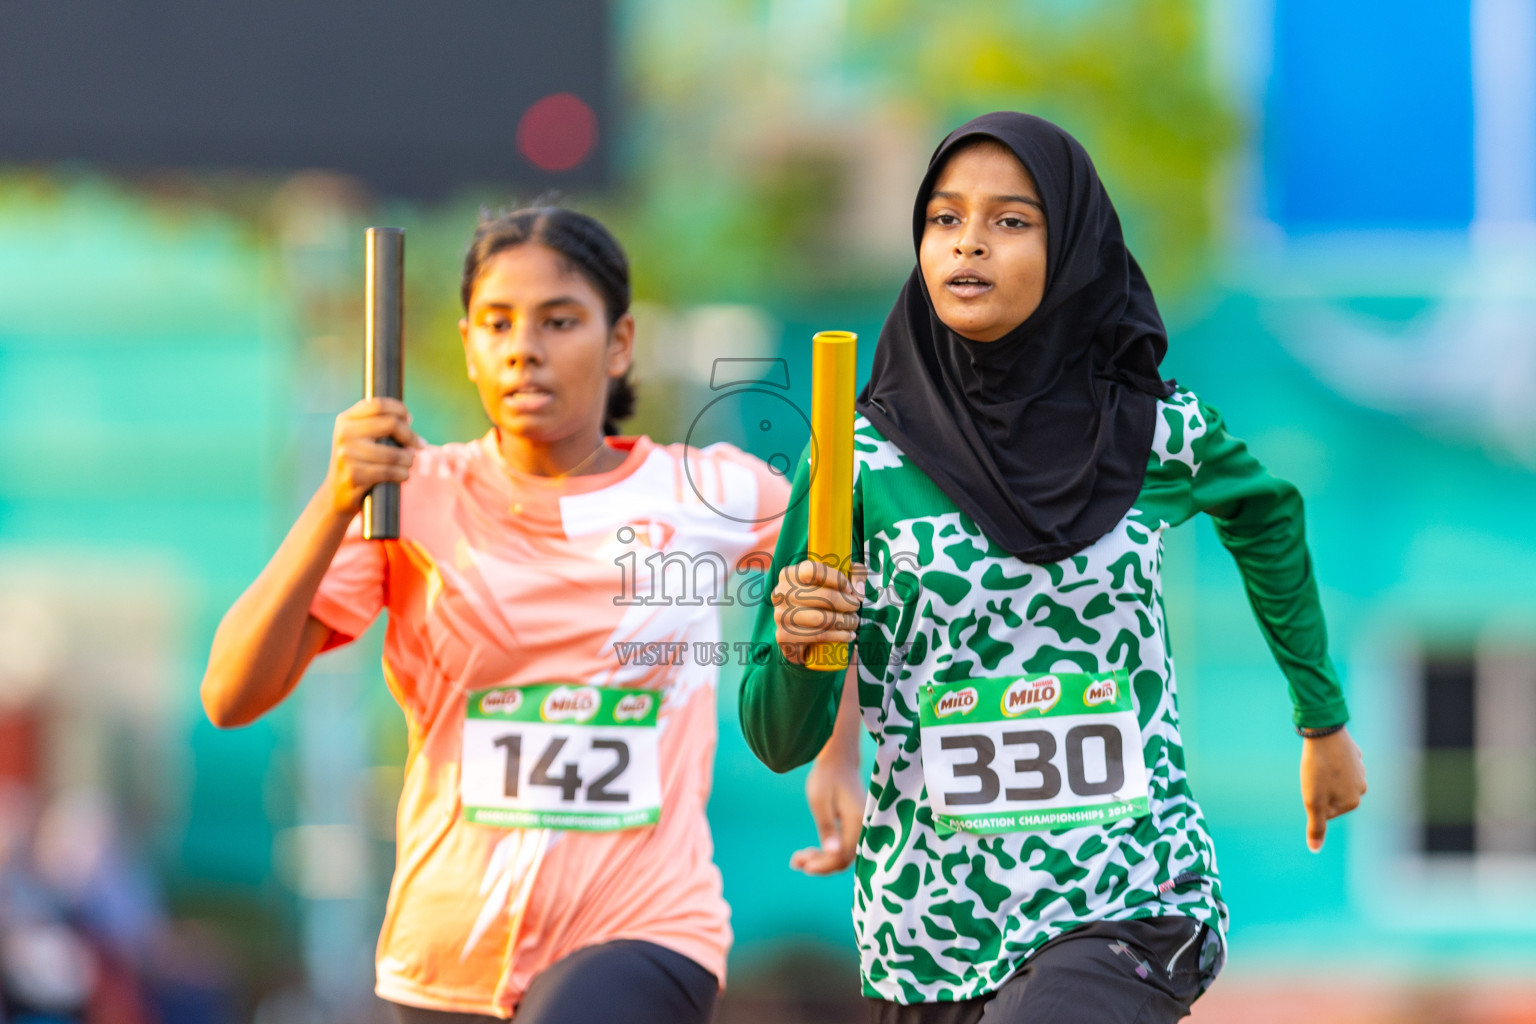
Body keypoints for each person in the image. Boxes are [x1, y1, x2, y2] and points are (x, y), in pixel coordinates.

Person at [740, 112, 1368, 1023]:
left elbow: (1266, 511)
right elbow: (775, 737)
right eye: (945, 219)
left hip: (1130, 895)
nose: (970, 244)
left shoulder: (1152, 429)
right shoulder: (857, 459)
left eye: (1011, 221)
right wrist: (802, 648)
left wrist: (1322, 719)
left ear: (1071, 244)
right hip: (931, 935)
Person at [201, 206, 825, 1022]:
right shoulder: (409, 499)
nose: (524, 346)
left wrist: (838, 757)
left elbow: (839, 596)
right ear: (468, 345)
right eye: (498, 322)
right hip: (446, 956)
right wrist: (331, 502)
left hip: (645, 927)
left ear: (620, 342)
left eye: (559, 320)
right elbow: (230, 695)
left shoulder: (714, 491)